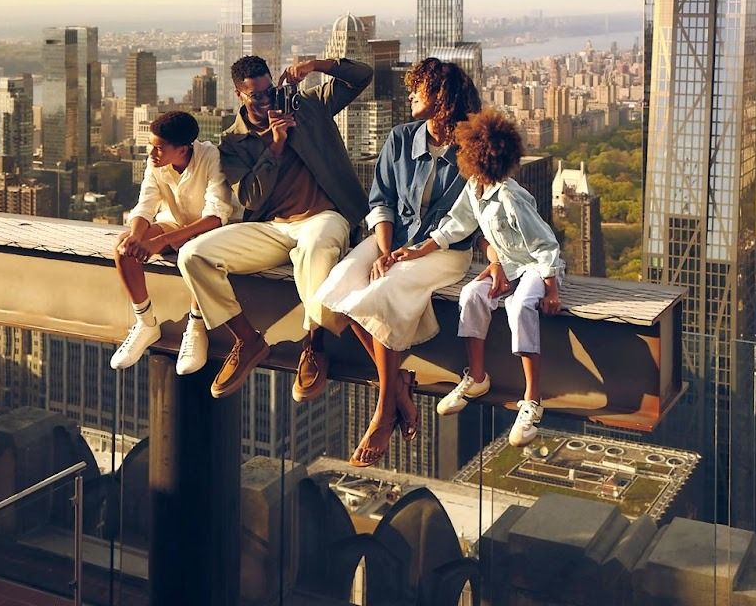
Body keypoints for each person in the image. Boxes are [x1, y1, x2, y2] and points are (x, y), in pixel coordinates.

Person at [312, 58, 480, 466]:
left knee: (382, 292)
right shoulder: (401, 138)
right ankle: (399, 385)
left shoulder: (473, 148)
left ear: (438, 97)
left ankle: (385, 410)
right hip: (394, 237)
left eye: (416, 90)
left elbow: (470, 217)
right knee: (337, 289)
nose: (408, 96)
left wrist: (411, 254)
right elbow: (381, 199)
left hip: (442, 251)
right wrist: (384, 250)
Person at [177, 52, 373, 400]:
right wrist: (275, 147)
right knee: (192, 255)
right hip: (271, 227)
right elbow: (250, 198)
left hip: (324, 217)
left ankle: (313, 345)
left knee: (315, 246)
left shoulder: (306, 106)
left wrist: (315, 66)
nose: (267, 100)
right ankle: (248, 340)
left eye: (270, 90)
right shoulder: (233, 142)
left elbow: (362, 76)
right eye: (257, 95)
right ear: (240, 95)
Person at [391, 108, 564, 448]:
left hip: (534, 266)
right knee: (471, 295)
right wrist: (418, 251)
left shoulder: (511, 197)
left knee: (520, 308)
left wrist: (551, 289)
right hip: (508, 265)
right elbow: (456, 225)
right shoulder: (474, 188)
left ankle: (532, 400)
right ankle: (478, 377)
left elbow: (546, 245)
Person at [108, 110, 236, 374]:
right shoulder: (156, 163)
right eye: (151, 146)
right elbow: (145, 205)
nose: (152, 153)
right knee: (124, 247)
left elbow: (216, 216)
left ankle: (196, 327)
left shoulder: (211, 157)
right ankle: (145, 323)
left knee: (197, 253)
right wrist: (136, 237)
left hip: (210, 230)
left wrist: (162, 241)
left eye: (158, 148)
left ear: (182, 149)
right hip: (175, 224)